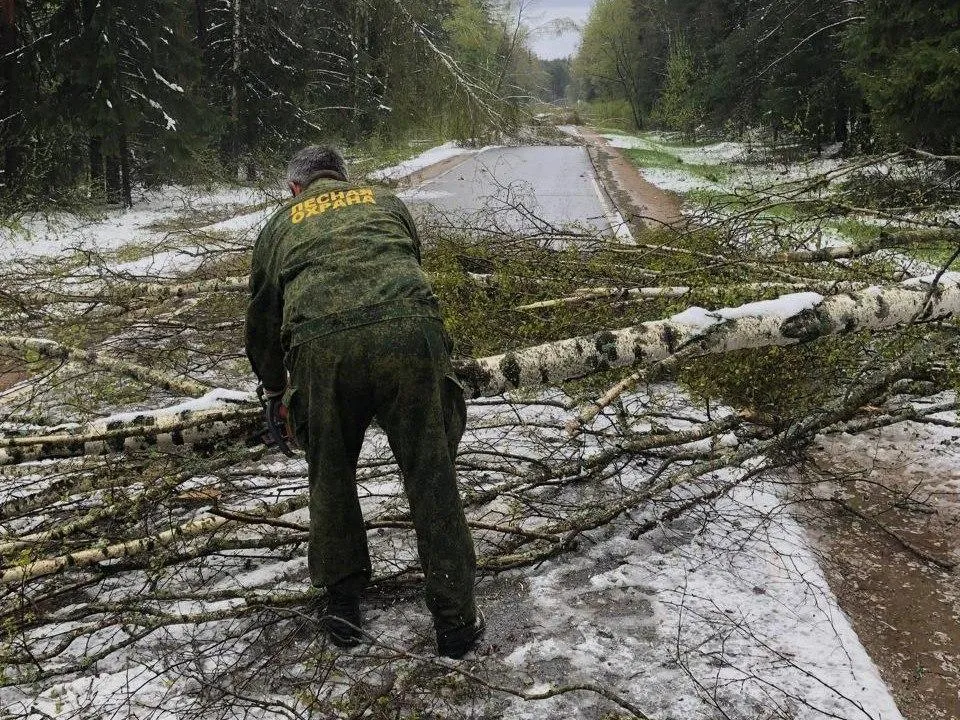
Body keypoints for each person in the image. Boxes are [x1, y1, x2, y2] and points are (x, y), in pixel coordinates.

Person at [245, 146, 483, 658]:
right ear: (343, 178)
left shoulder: (279, 224)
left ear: (295, 188)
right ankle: (457, 621)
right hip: (409, 334)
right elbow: (406, 267)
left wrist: (273, 391)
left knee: (330, 476)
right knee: (431, 473)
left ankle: (342, 612)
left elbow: (262, 321)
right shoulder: (385, 200)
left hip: (322, 348)